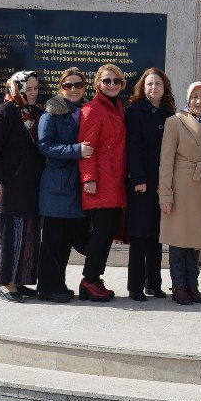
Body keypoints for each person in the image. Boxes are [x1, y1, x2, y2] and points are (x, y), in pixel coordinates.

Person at [0, 70, 44, 303]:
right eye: (27, 88)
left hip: (29, 189)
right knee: (9, 235)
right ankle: (6, 284)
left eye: (35, 88)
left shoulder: (35, 113)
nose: (32, 93)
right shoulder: (4, 113)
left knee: (27, 236)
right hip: (7, 189)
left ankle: (19, 282)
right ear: (15, 88)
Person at [159, 81, 201, 305]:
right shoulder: (174, 122)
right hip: (181, 185)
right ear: (187, 99)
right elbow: (165, 161)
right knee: (178, 239)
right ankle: (179, 286)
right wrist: (165, 194)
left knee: (195, 240)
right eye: (194, 96)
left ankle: (193, 284)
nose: (198, 101)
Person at [36, 67, 92, 303]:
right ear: (61, 88)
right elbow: (45, 145)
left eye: (77, 85)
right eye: (68, 85)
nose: (73, 89)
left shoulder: (87, 110)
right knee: (52, 241)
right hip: (57, 186)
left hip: (76, 186)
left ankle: (59, 283)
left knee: (66, 242)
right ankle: (47, 287)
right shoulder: (52, 111)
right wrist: (76, 150)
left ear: (84, 87)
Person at [124, 68, 176, 301]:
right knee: (139, 235)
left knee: (157, 235)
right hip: (142, 183)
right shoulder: (135, 112)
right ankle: (135, 287)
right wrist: (138, 179)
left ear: (165, 88)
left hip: (163, 183)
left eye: (158, 84)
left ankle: (154, 283)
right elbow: (132, 148)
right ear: (142, 88)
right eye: (149, 84)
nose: (154, 88)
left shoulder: (168, 114)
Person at [77, 64, 127, 302]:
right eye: (107, 81)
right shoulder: (92, 109)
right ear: (98, 83)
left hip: (115, 182)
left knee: (107, 233)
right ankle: (89, 279)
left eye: (116, 81)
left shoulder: (118, 107)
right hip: (100, 183)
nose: (112, 85)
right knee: (101, 233)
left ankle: (94, 279)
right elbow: (87, 148)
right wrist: (90, 179)